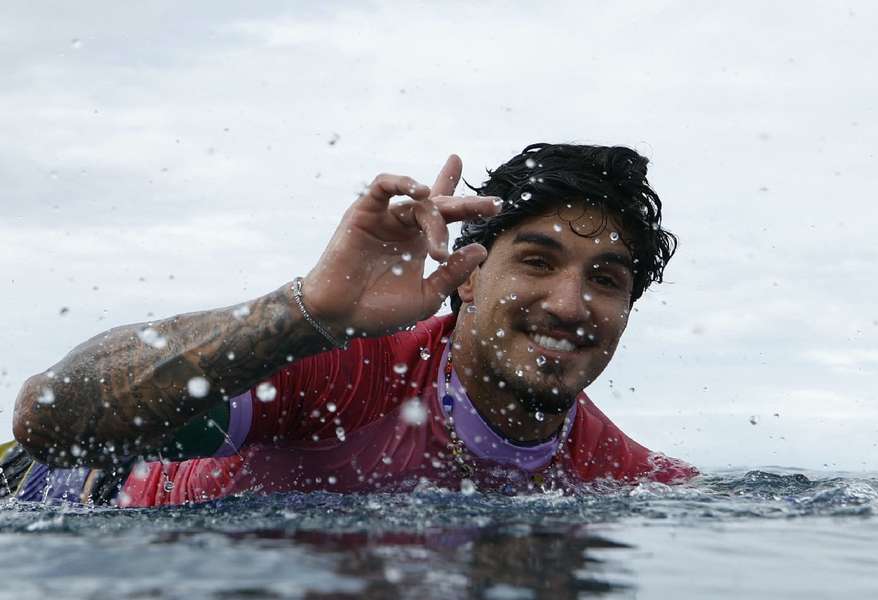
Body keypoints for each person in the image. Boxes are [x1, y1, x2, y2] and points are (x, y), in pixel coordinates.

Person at [7, 143, 696, 507]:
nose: (571, 304)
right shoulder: (348, 372)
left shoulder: (623, 475)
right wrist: (308, 312)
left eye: (606, 279)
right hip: (81, 503)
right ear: (470, 276)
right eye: (538, 261)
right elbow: (47, 418)